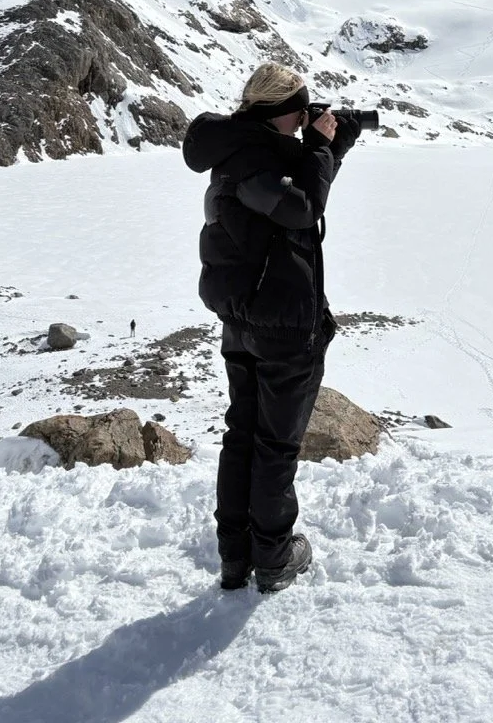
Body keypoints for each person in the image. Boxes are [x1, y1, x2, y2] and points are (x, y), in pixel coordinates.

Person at [182, 63, 359, 594]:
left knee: (243, 436)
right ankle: (275, 556)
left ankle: (237, 557)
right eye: (300, 114)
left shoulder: (237, 149)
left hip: (243, 321)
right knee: (275, 445)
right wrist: (323, 149)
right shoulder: (260, 160)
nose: (306, 121)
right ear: (281, 114)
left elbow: (291, 203)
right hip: (282, 326)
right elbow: (302, 209)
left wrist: (328, 149)